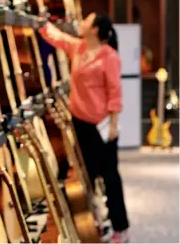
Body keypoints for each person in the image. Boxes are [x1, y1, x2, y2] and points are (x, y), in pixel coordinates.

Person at [38, 12, 130, 243]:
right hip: (80, 123)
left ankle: (121, 227)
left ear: (95, 29)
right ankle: (97, 220)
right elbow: (57, 37)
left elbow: (115, 94)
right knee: (87, 175)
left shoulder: (109, 57)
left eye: (86, 21)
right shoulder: (78, 48)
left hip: (103, 125)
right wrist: (40, 22)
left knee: (110, 176)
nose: (81, 24)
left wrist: (114, 125)